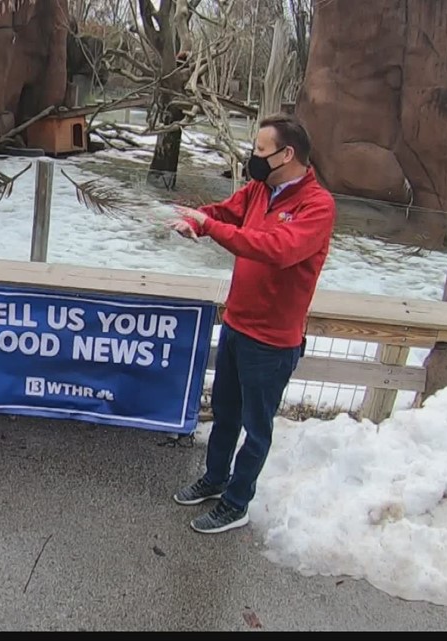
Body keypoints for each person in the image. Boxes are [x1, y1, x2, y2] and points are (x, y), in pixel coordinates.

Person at [164, 113, 337, 534]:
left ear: (287, 154)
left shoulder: (316, 206)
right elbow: (224, 211)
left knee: (257, 427)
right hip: (238, 324)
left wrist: (212, 227)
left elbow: (275, 249)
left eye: (260, 151)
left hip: (273, 342)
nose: (252, 158)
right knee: (225, 412)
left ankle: (237, 502)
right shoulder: (261, 189)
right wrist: (197, 221)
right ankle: (215, 477)